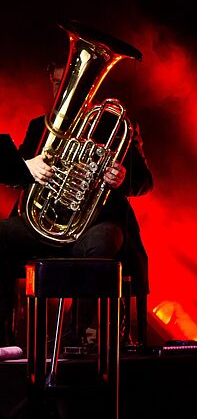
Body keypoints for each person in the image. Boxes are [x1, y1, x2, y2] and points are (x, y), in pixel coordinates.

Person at [0, 61, 153, 347]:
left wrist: (122, 177)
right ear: (51, 82)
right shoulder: (39, 127)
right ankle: (3, 338)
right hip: (43, 224)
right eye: (60, 83)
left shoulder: (115, 126)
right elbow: (12, 174)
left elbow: (144, 181)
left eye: (76, 84)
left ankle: (73, 334)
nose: (66, 91)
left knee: (103, 243)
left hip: (95, 223)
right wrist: (27, 167)